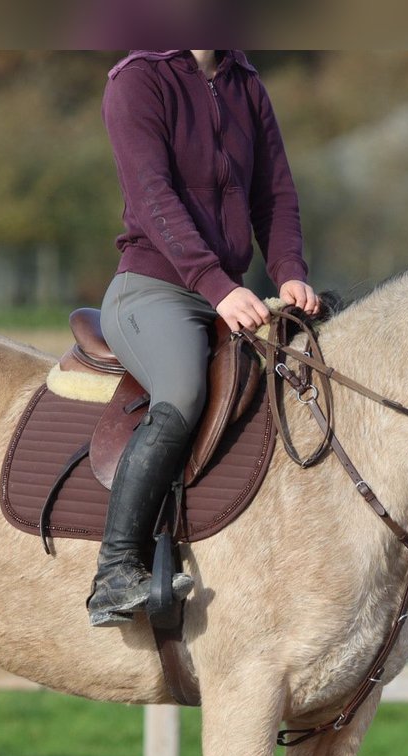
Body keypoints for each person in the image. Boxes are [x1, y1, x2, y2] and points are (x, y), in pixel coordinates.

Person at [87, 49, 319, 627]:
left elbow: (276, 195)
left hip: (227, 292)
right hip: (154, 289)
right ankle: (115, 572)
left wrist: (290, 271)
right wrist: (214, 285)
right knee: (184, 391)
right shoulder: (137, 80)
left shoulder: (247, 84)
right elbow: (152, 196)